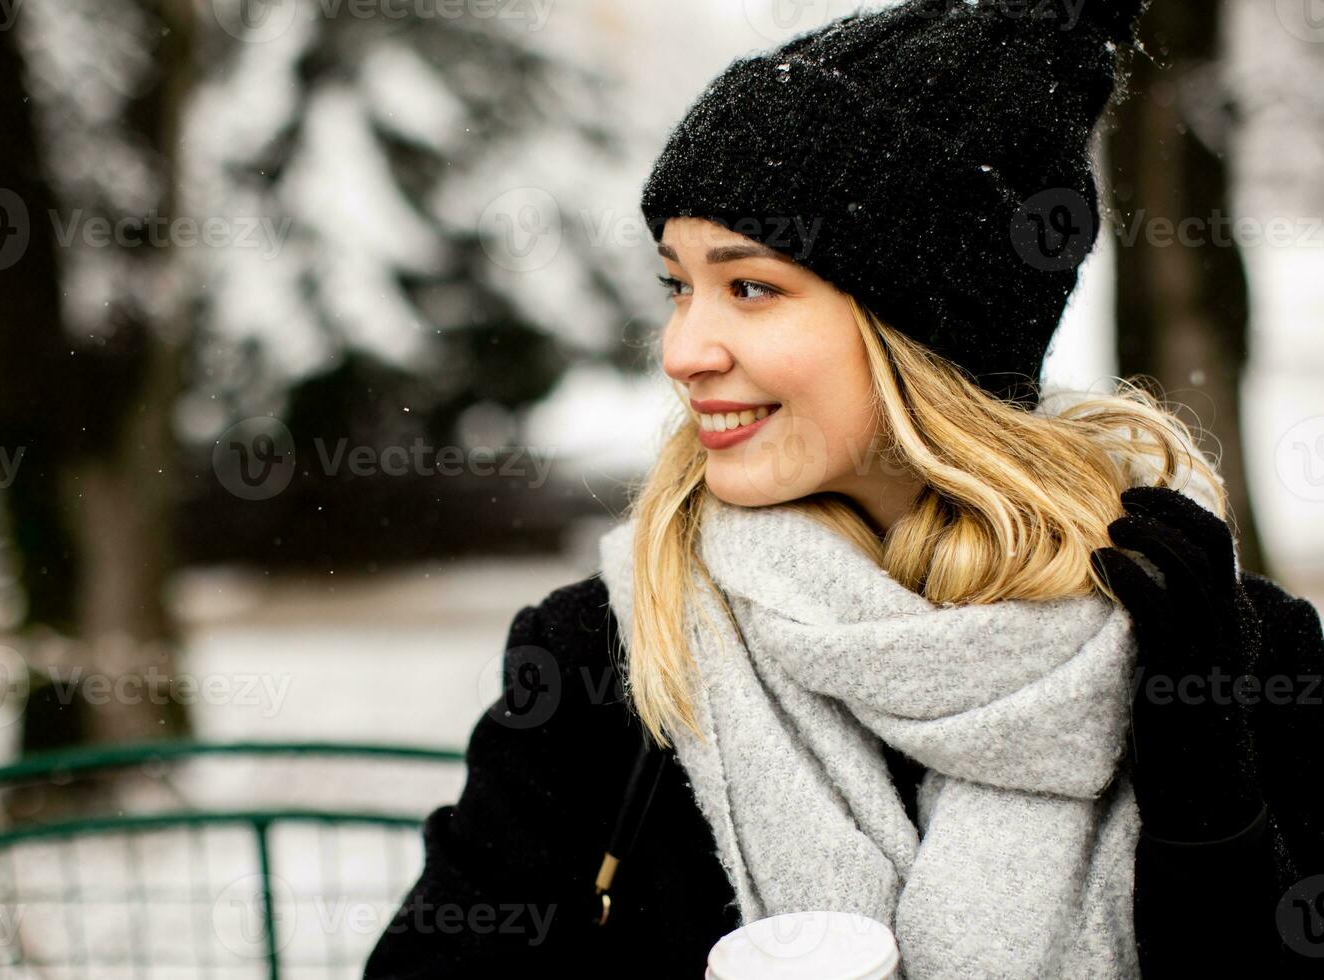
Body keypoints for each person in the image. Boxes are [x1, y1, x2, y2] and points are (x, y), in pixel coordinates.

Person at [364, 0, 1324, 976]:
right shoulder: (607, 664)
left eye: (749, 287)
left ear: (921, 335)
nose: (682, 350)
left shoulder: (1225, 650)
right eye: (677, 285)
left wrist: (1210, 811)